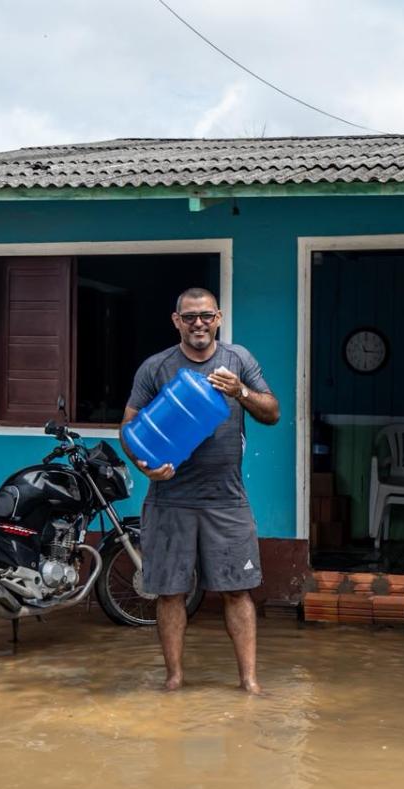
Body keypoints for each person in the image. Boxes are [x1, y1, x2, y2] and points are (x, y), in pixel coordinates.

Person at [119, 287, 280, 693]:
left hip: (226, 498)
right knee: (169, 593)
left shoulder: (238, 360)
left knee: (237, 591)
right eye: (189, 317)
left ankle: (249, 682)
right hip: (169, 498)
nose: (198, 324)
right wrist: (144, 466)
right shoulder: (155, 368)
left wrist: (239, 392)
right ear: (176, 321)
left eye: (205, 316)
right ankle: (173, 679)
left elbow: (273, 413)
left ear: (218, 318)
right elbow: (129, 427)